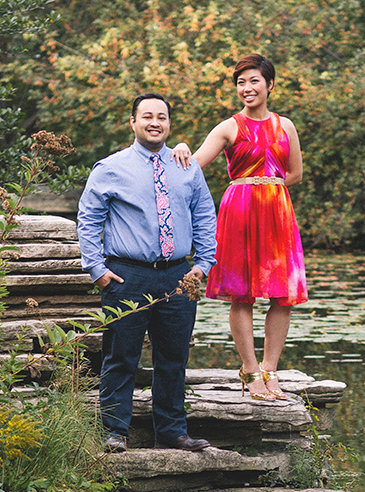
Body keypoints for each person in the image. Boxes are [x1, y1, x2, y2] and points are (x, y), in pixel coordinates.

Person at [77, 93, 217, 454]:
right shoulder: (110, 168)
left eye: (162, 117)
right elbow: (89, 219)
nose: (155, 123)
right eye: (147, 117)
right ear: (133, 123)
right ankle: (115, 431)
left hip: (178, 276)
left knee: (173, 358)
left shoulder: (186, 166)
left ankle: (172, 430)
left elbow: (204, 215)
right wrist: (97, 269)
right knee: (121, 356)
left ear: (169, 124)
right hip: (127, 275)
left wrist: (202, 265)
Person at [173, 54, 307, 401]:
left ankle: (270, 370)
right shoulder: (228, 127)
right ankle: (249, 372)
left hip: (277, 212)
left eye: (254, 81)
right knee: (242, 293)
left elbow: (295, 174)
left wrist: (269, 188)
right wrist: (184, 146)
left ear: (270, 85)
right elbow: (193, 166)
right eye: (241, 83)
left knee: (283, 295)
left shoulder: (285, 125)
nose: (247, 88)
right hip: (240, 211)